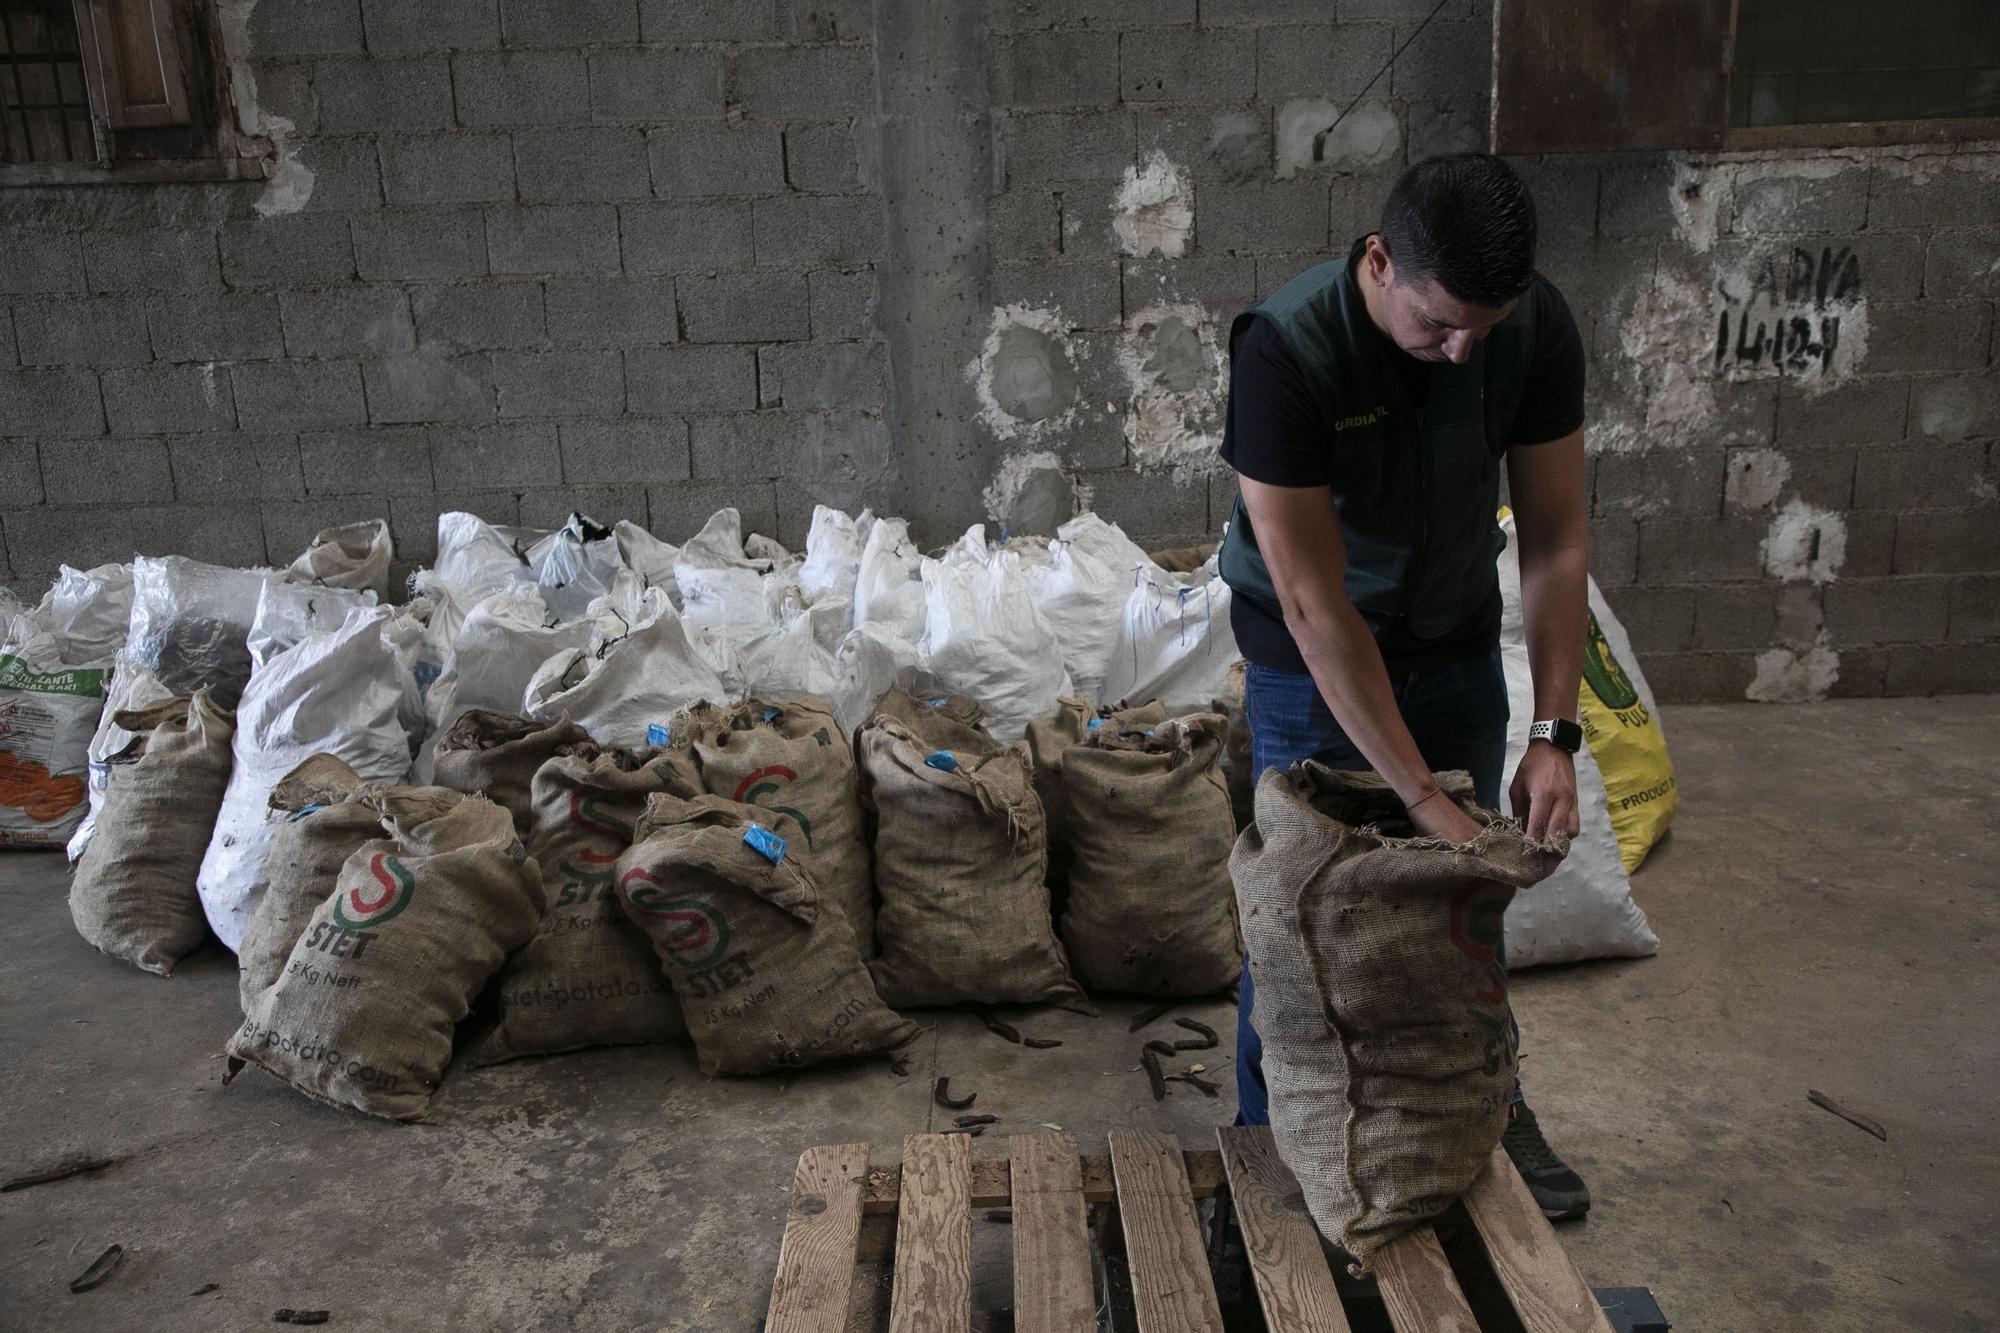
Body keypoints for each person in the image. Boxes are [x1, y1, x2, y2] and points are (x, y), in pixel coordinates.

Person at [1215, 152, 1592, 1220]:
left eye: (1487, 323)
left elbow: (1555, 539)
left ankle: (1486, 1102)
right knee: (1301, 914)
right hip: (1311, 662)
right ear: (1378, 262)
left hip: (1453, 638)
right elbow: (1309, 602)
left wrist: (1554, 731)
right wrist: (1427, 803)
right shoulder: (1286, 350)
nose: (1462, 348)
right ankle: (1264, 1142)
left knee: (1465, 909)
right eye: (1436, 325)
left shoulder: (1528, 329)